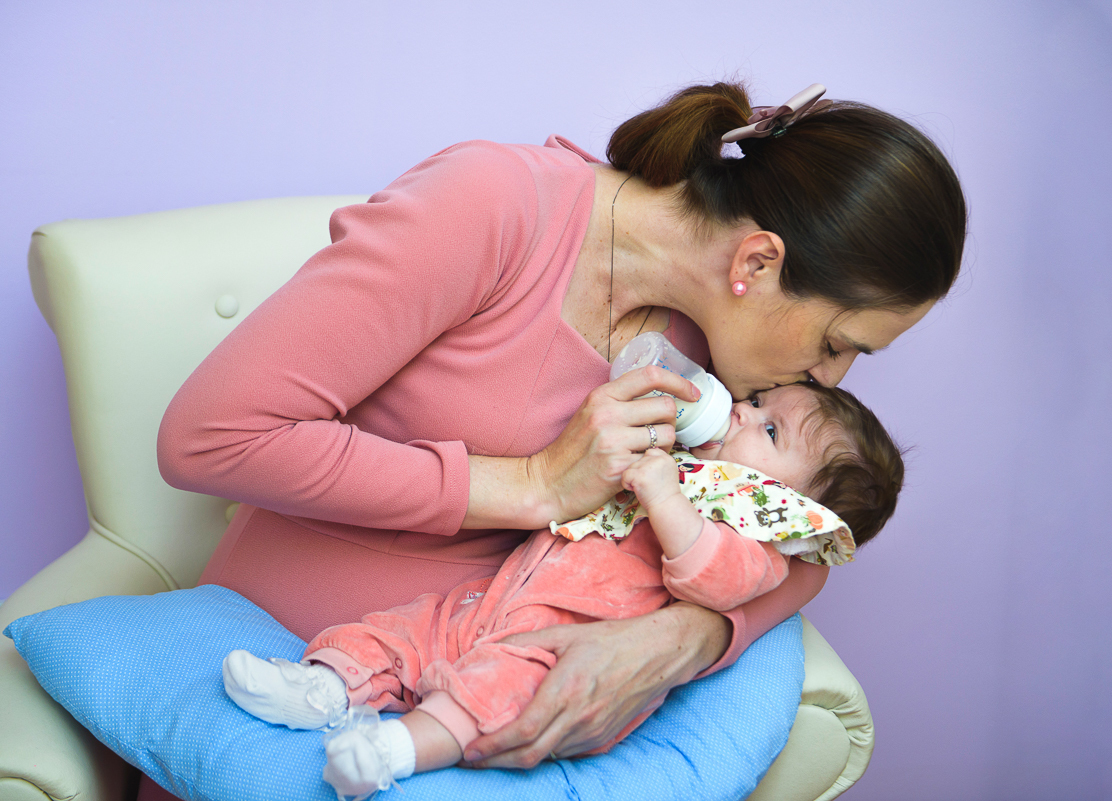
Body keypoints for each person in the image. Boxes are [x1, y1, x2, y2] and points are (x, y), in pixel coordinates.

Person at [157, 80, 966, 773]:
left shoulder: (721, 361)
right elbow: (209, 436)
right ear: (756, 262)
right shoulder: (493, 207)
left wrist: (681, 636)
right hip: (285, 672)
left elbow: (805, 537)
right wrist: (535, 484)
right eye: (836, 344)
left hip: (484, 705)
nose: (829, 378)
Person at [221, 382, 901, 798]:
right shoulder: (687, 461)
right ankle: (322, 688)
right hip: (493, 600)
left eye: (771, 429)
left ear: (797, 506)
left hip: (560, 645)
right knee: (404, 630)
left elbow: (715, 579)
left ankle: (392, 751)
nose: (744, 415)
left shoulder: (752, 534)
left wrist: (666, 496)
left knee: (496, 691)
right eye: (756, 402)